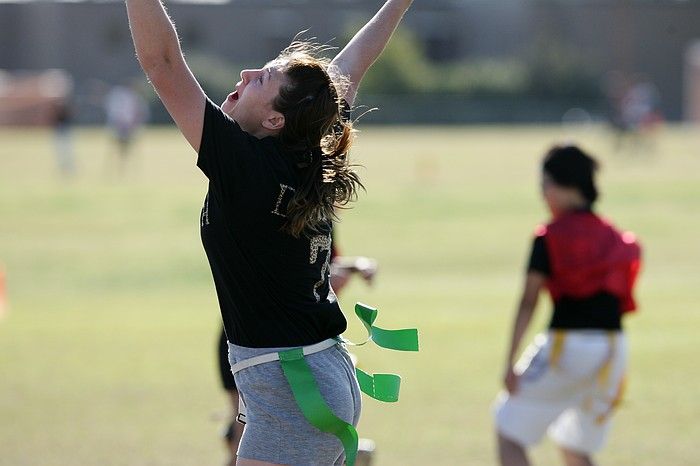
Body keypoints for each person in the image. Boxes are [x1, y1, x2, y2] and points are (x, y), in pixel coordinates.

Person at [125, 0, 413, 464]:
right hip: (309, 380)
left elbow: (162, 64)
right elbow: (350, 68)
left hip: (294, 390)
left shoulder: (246, 164)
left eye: (261, 79)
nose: (243, 74)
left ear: (275, 120)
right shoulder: (305, 152)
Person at [494, 145, 642, 466]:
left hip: (568, 347)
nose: (542, 195)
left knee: (508, 430)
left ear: (565, 187)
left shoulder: (550, 236)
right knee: (574, 444)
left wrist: (510, 362)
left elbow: (528, 301)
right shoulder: (617, 238)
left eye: (545, 185)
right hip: (614, 351)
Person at [217, 241, 377, 466]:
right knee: (242, 425)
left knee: (249, 428)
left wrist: (352, 267)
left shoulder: (318, 214)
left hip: (294, 349)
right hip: (258, 345)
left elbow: (322, 267)